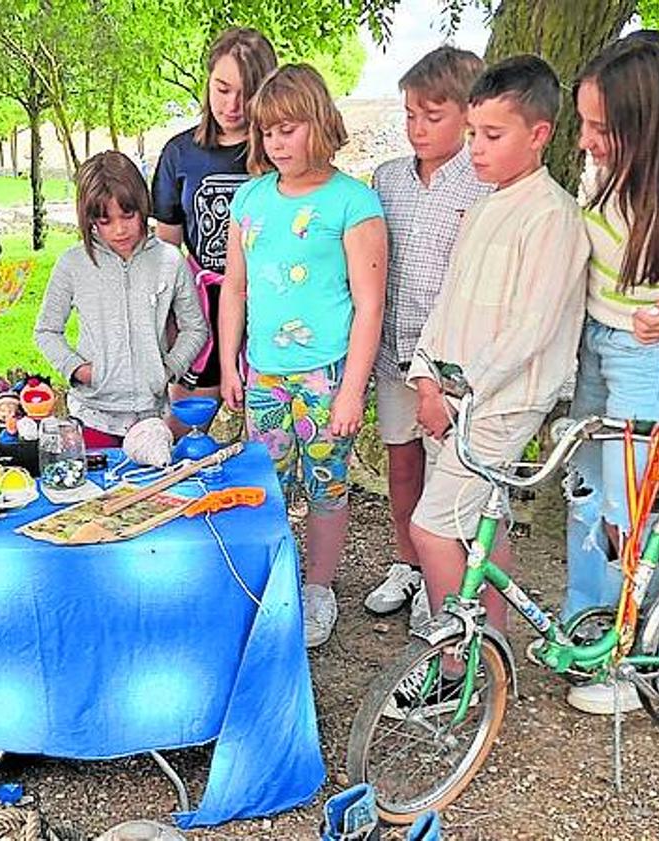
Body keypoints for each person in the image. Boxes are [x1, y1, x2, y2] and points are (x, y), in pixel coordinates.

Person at [404, 56, 589, 684]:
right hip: (453, 398)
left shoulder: (553, 216)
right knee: (484, 522)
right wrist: (426, 376)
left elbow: (532, 331)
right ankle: (494, 652)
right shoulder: (484, 207)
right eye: (474, 133)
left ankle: (453, 663)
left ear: (538, 135)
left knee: (431, 529)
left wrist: (460, 391)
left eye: (493, 136)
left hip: (501, 402)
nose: (476, 149)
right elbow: (447, 304)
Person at [219, 64, 387, 649]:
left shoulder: (353, 203)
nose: (276, 143)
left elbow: (369, 306)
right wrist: (228, 365)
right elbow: (234, 288)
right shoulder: (251, 200)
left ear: (319, 124)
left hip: (325, 376)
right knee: (267, 482)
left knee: (327, 483)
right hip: (264, 374)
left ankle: (318, 588)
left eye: (288, 129)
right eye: (267, 133)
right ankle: (269, 581)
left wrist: (350, 391)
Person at [563, 32, 659, 715]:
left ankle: (638, 664)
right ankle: (589, 631)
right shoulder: (601, 168)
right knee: (586, 494)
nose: (586, 141)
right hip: (596, 342)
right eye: (583, 122)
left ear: (649, 125)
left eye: (602, 129)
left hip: (651, 354)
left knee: (631, 515)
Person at [365, 47, 492, 628]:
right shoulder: (386, 178)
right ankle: (408, 563)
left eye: (431, 116)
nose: (417, 128)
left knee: (451, 475)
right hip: (394, 354)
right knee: (403, 464)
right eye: (410, 114)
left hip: (450, 368)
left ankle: (445, 580)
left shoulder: (484, 187)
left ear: (469, 115)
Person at [34, 151, 207, 447]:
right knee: (99, 494)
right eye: (105, 220)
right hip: (92, 417)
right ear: (90, 220)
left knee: (150, 491)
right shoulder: (73, 263)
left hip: (152, 419)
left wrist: (167, 369)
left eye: (128, 216)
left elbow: (195, 328)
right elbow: (46, 331)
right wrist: (79, 370)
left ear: (143, 206)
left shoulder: (169, 260)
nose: (119, 229)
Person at [151, 28, 277, 429]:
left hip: (268, 307)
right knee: (185, 430)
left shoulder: (279, 153)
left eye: (247, 93)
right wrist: (170, 322)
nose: (233, 105)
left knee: (268, 436)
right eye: (222, 89)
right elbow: (165, 252)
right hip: (200, 308)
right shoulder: (179, 154)